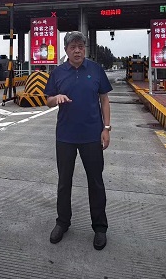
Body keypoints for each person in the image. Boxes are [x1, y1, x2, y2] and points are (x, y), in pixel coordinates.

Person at [44, 31, 113, 250]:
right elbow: (48, 100)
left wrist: (106, 128)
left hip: (92, 135)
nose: (77, 51)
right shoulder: (57, 73)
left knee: (96, 182)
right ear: (66, 50)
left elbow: (104, 99)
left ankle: (100, 227)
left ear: (85, 49)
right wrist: (56, 98)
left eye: (81, 47)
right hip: (65, 136)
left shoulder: (95, 70)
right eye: (73, 47)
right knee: (64, 182)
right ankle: (62, 222)